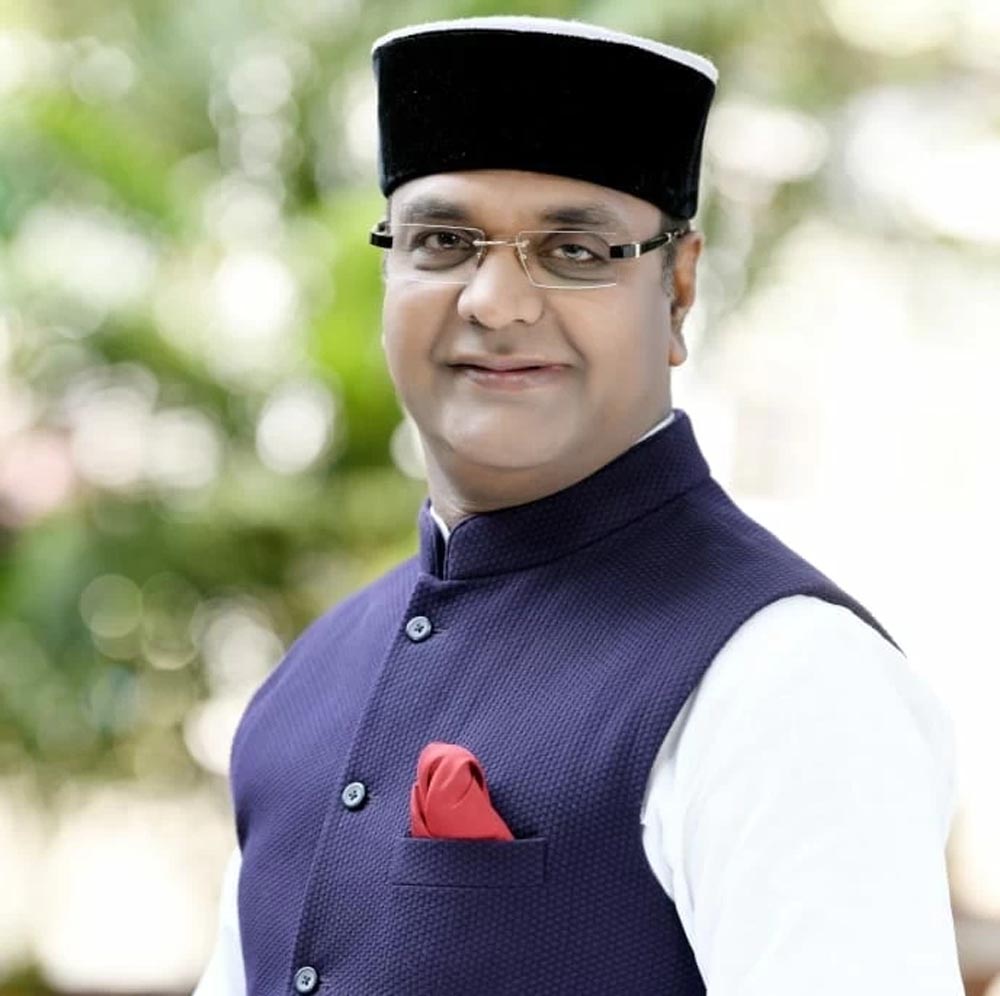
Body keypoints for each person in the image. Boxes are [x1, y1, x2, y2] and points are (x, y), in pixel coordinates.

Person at [192, 16, 964, 996]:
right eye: (443, 241)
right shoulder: (309, 677)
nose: (495, 301)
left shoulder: (786, 676)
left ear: (678, 291)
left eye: (574, 250)